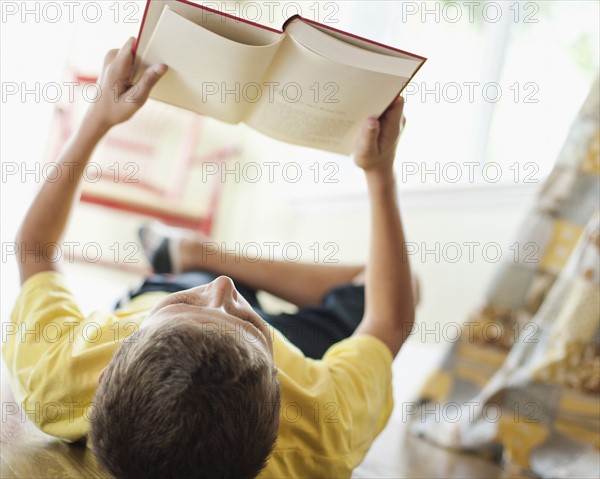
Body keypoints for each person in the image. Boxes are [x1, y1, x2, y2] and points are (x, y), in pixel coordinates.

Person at [3, 38, 415, 479]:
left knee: (206, 283)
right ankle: (192, 256)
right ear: (280, 417)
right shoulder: (321, 432)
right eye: (244, 316)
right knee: (385, 284)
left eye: (188, 304)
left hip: (159, 295)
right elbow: (388, 324)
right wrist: (379, 172)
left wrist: (98, 117)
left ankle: (191, 270)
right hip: (292, 345)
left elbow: (35, 248)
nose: (223, 289)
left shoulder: (59, 379)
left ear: (104, 377)